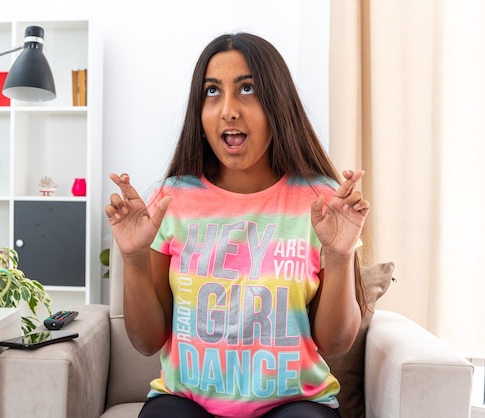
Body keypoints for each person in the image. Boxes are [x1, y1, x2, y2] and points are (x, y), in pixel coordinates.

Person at [105, 32, 370, 418]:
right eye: (212, 92)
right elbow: (146, 342)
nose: (228, 109)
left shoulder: (322, 201)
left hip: (295, 404)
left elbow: (336, 343)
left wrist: (339, 254)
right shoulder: (171, 200)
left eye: (247, 89)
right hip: (185, 403)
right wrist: (133, 258)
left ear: (278, 103)